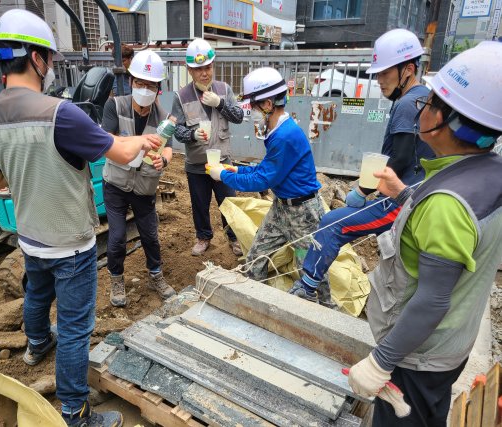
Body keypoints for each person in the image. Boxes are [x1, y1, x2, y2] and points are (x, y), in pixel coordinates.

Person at [0, 10, 160, 427]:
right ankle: (76, 413)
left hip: (30, 235)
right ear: (37, 59)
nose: (52, 67)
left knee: (38, 295)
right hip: (70, 242)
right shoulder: (60, 113)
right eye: (51, 59)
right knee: (75, 328)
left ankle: (36, 344)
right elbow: (123, 153)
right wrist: (143, 141)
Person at [347, 41, 502, 426]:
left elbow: (432, 300)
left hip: (418, 356)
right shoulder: (487, 171)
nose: (422, 108)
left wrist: (381, 363)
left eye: (430, 103)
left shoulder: (447, 206)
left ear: (452, 123)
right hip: (452, 343)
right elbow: (458, 226)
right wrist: (405, 192)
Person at [290, 29, 434, 305]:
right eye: (377, 74)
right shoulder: (422, 97)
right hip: (414, 197)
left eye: (384, 73)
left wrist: (362, 191)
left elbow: (399, 160)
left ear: (408, 69)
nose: (378, 80)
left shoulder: (406, 104)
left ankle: (306, 289)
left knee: (332, 223)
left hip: (402, 204)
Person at [206, 67, 323, 282]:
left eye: (253, 105)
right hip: (282, 207)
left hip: (303, 213)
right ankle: (252, 295)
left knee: (309, 269)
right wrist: (238, 169)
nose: (250, 111)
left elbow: (263, 179)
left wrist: (223, 176)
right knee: (256, 256)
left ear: (268, 104)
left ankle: (323, 308)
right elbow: (267, 168)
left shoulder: (285, 135)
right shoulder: (278, 130)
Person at [101, 49, 176, 307]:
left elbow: (169, 148)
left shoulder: (164, 118)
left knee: (150, 235)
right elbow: (106, 140)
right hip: (116, 183)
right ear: (132, 82)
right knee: (118, 235)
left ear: (158, 88)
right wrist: (138, 142)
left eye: (150, 85)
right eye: (140, 83)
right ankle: (116, 278)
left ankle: (156, 274)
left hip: (145, 185)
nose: (144, 89)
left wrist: (163, 159)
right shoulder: (115, 105)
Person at [171, 38, 244, 257]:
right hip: (196, 163)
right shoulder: (181, 97)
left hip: (222, 160)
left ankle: (233, 237)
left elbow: (239, 116)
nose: (204, 73)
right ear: (190, 71)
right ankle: (203, 237)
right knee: (199, 204)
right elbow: (177, 130)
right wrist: (192, 134)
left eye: (208, 67)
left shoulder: (224, 89)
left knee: (228, 201)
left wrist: (220, 104)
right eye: (198, 69)